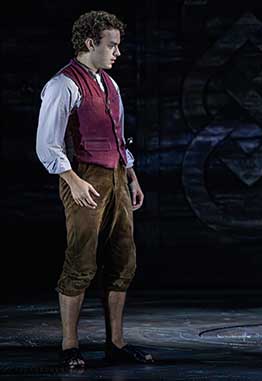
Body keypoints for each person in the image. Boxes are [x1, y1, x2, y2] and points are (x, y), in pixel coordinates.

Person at [36, 10, 152, 368]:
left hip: (116, 175)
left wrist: (131, 176)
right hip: (83, 176)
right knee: (81, 259)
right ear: (91, 43)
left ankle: (115, 343)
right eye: (112, 46)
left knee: (122, 257)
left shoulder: (109, 83)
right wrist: (73, 180)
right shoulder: (63, 85)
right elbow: (48, 145)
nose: (117, 53)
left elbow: (118, 137)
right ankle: (69, 346)